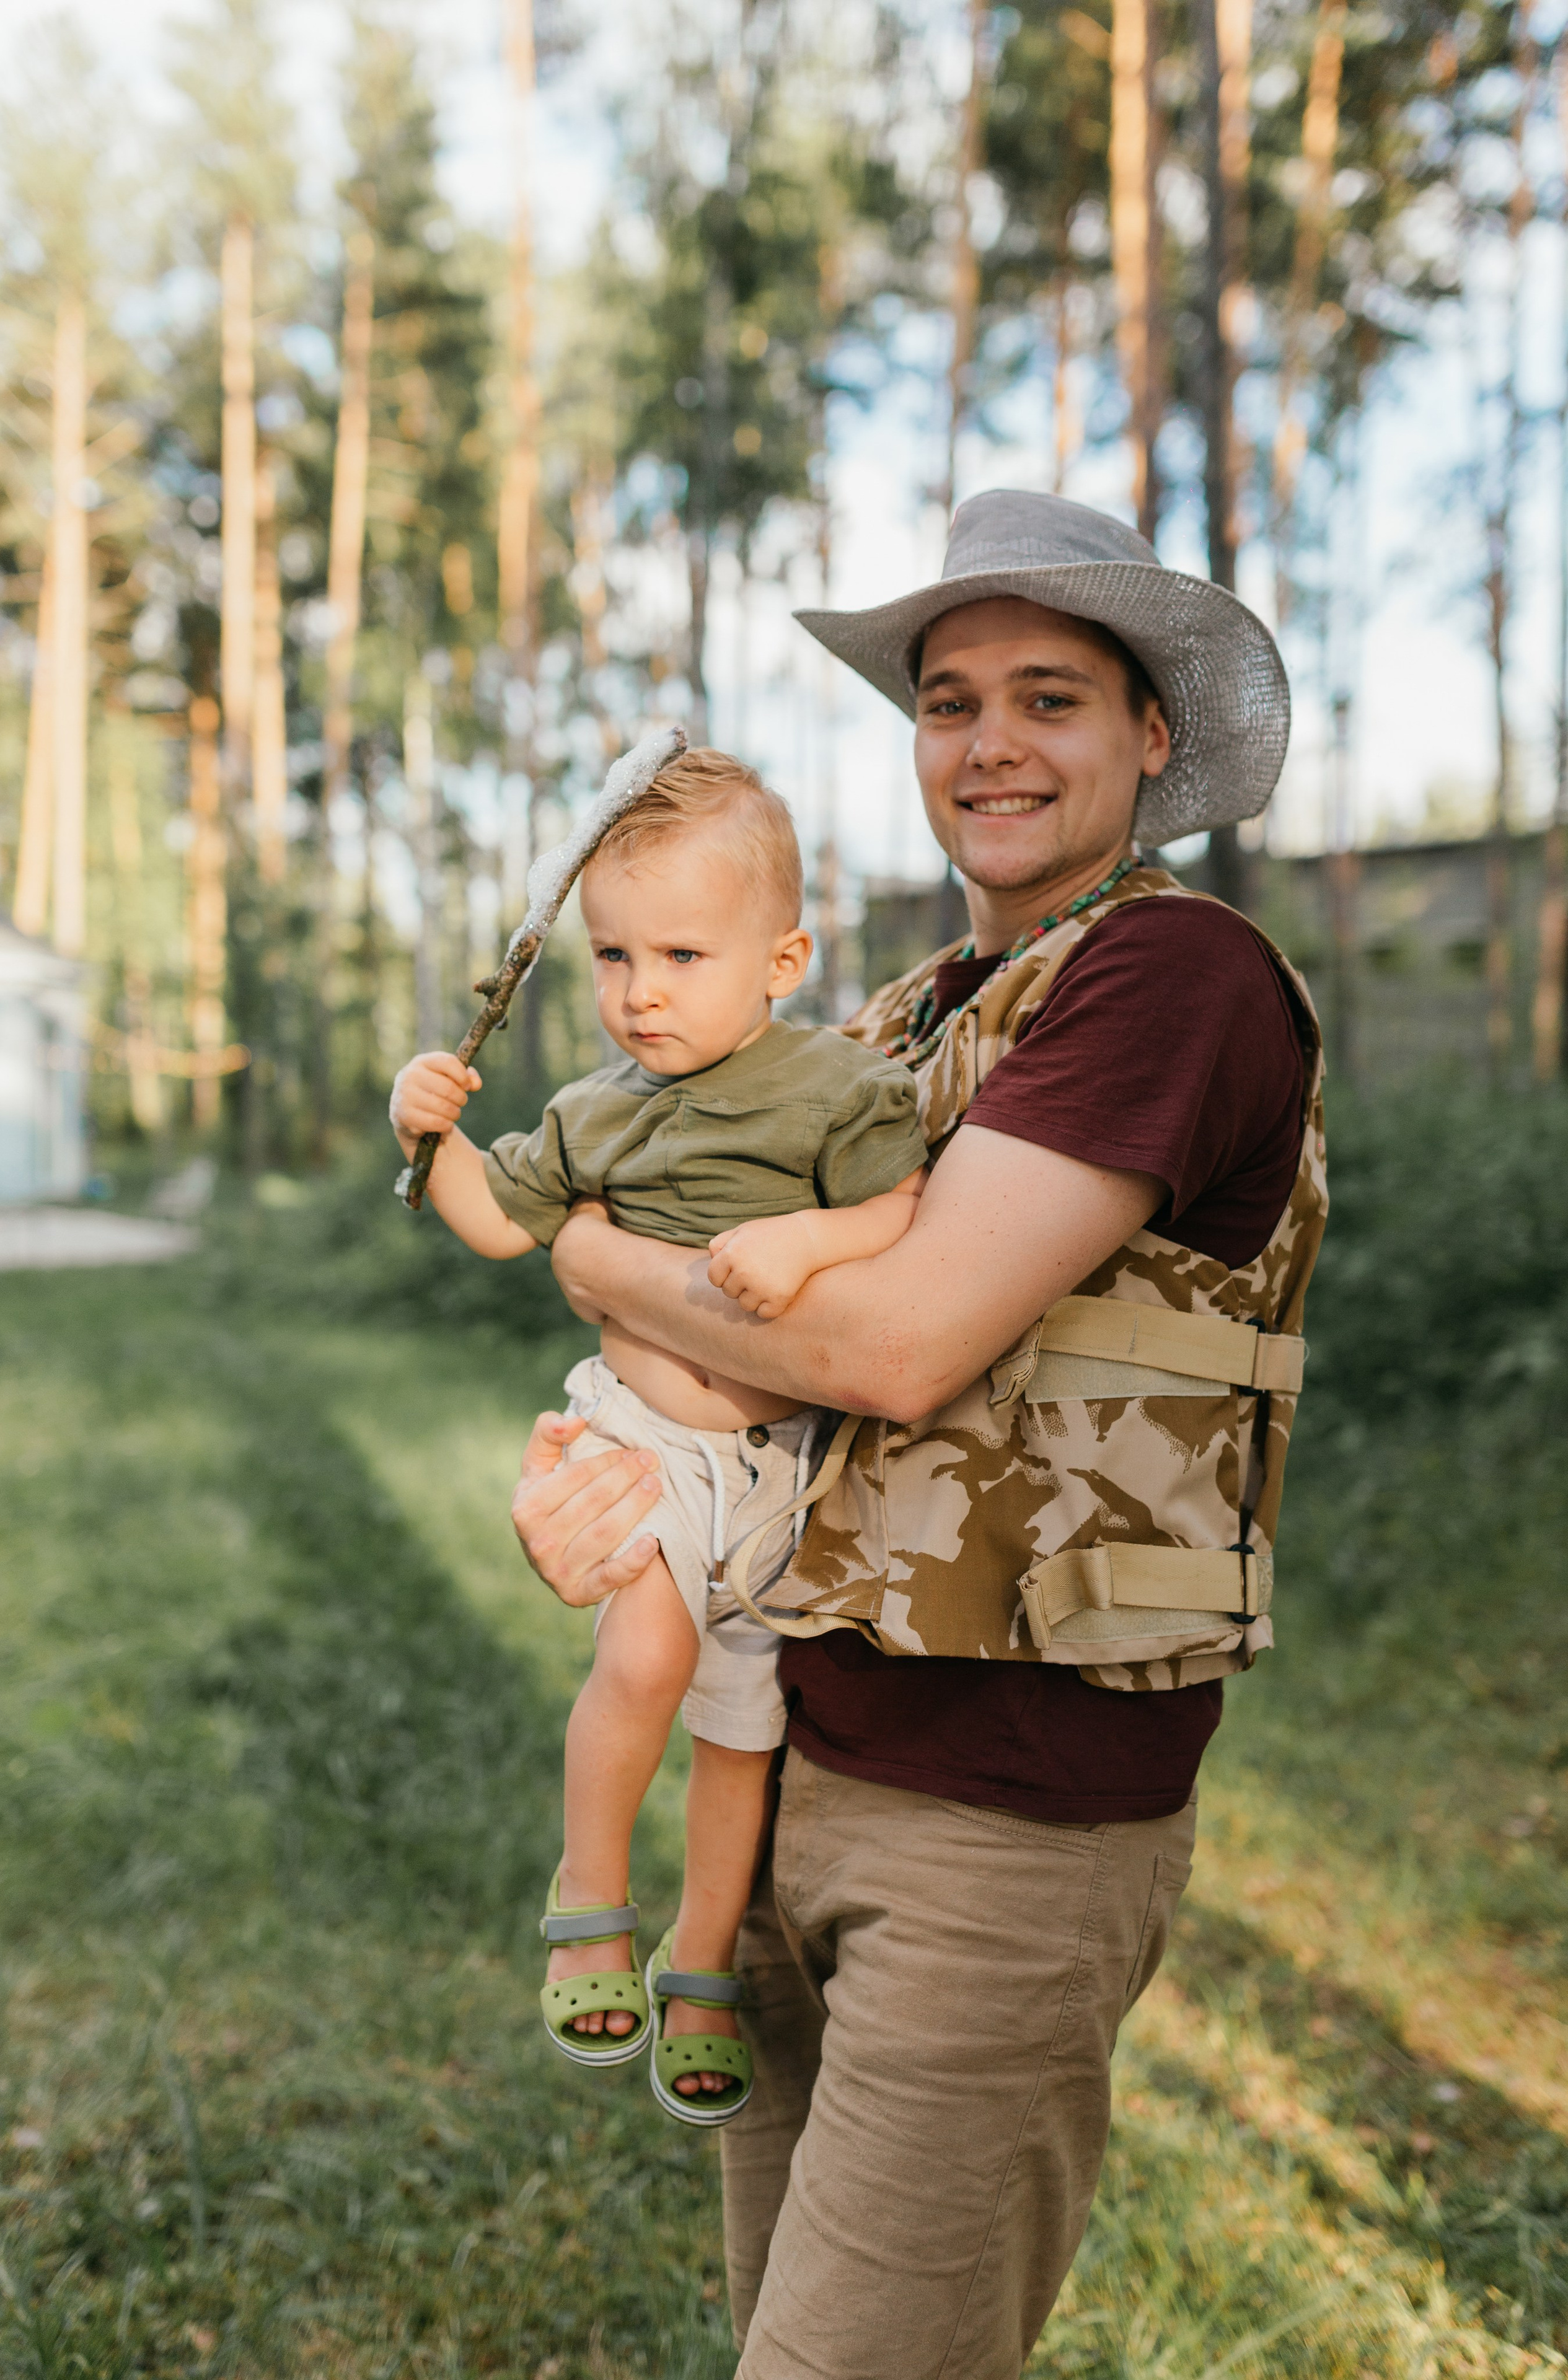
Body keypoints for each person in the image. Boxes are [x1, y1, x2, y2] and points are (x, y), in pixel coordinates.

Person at [509, 491, 1327, 2378]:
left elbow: (888, 1347)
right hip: (795, 1764)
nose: (990, 742)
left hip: (1008, 1817)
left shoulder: (1173, 980)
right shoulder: (886, 1026)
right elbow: (731, 1374)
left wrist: (582, 1251)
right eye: (949, 698)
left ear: (1153, 735)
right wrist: (604, 1498)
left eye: (1052, 694)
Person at [388, 747, 927, 2126]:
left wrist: (808, 1238)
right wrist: (429, 1130)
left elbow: (901, 1215)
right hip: (641, 1440)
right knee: (641, 1657)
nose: (640, 991)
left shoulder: (832, 1090)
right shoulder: (592, 1110)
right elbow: (499, 1225)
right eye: (615, 954)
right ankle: (586, 1890)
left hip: (776, 1477)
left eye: (683, 952)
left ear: (781, 957)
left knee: (742, 1736)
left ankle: (699, 1963)